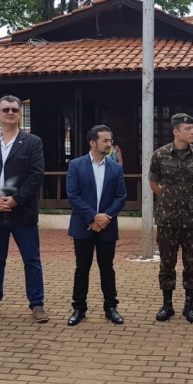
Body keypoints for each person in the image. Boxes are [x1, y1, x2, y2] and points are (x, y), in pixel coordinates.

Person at [0, 95, 48, 323]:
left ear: (19, 113)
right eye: (6, 109)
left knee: (31, 260)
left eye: (15, 109)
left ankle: (37, 304)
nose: (10, 113)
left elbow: (36, 176)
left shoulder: (33, 142)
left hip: (22, 212)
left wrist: (16, 199)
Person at [149, 112, 193, 322]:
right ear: (176, 131)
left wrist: (192, 199)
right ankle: (167, 305)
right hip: (167, 218)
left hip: (192, 219)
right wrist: (170, 198)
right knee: (167, 263)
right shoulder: (160, 155)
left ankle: (189, 306)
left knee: (191, 262)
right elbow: (153, 182)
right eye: (188, 129)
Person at [65, 125, 127, 326]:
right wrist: (93, 217)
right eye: (105, 141)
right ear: (93, 143)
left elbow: (121, 196)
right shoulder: (76, 165)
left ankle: (111, 307)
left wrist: (105, 217)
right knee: (82, 268)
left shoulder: (116, 168)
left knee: (107, 268)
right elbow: (73, 195)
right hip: (83, 225)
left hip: (107, 226)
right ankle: (79, 308)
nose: (110, 144)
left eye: (110, 140)